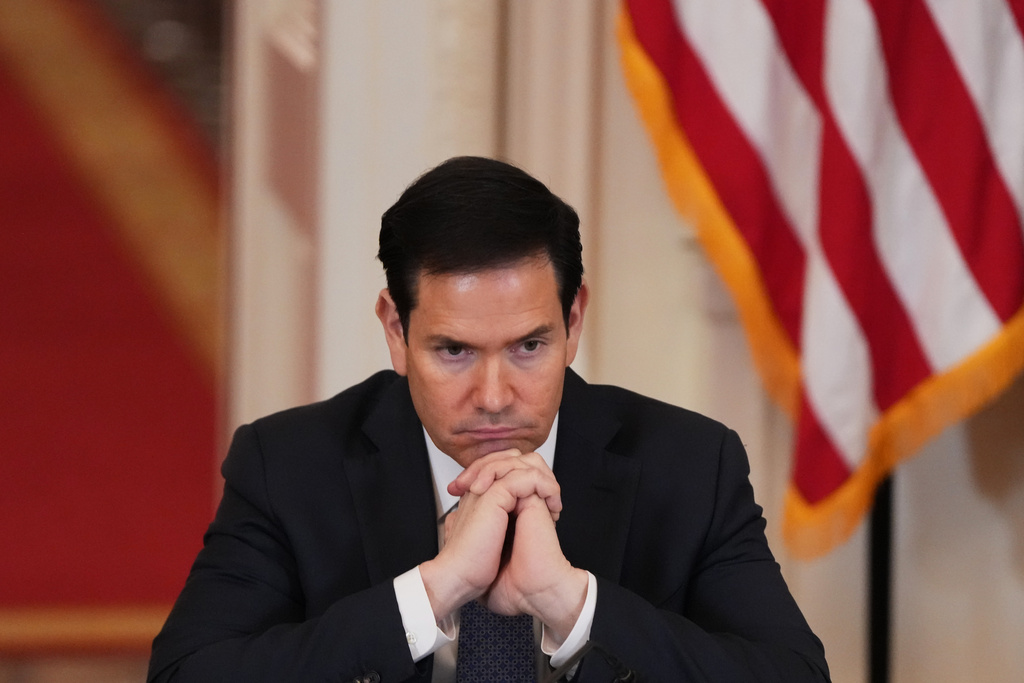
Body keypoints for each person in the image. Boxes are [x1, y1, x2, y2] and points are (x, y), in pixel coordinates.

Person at [148, 156, 830, 682]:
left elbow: (794, 675)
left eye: (530, 347)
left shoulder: (690, 465)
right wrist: (433, 590)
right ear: (395, 328)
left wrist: (570, 602)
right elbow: (185, 673)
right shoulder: (290, 464)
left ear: (574, 319)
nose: (496, 395)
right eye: (454, 350)